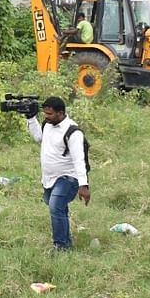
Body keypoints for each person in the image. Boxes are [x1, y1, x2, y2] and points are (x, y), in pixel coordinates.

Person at [26, 96, 90, 250]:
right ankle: (66, 242)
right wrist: (31, 118)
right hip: (50, 178)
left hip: (68, 177)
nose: (46, 118)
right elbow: (38, 137)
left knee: (55, 206)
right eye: (45, 114)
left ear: (61, 113)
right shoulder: (47, 125)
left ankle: (61, 246)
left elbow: (79, 160)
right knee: (56, 205)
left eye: (50, 114)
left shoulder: (72, 132)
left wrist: (83, 185)